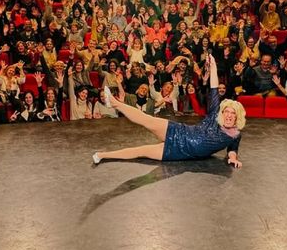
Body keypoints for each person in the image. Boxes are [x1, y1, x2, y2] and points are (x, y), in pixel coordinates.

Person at [93, 55, 244, 168]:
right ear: (222, 113)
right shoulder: (214, 117)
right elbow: (214, 88)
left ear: (237, 117)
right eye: (227, 112)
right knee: (146, 119)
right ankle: (114, 102)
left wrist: (233, 157)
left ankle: (102, 155)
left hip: (179, 152)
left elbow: (232, 148)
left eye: (233, 113)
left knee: (140, 151)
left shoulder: (236, 134)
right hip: (178, 131)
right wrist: (213, 68)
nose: (229, 115)